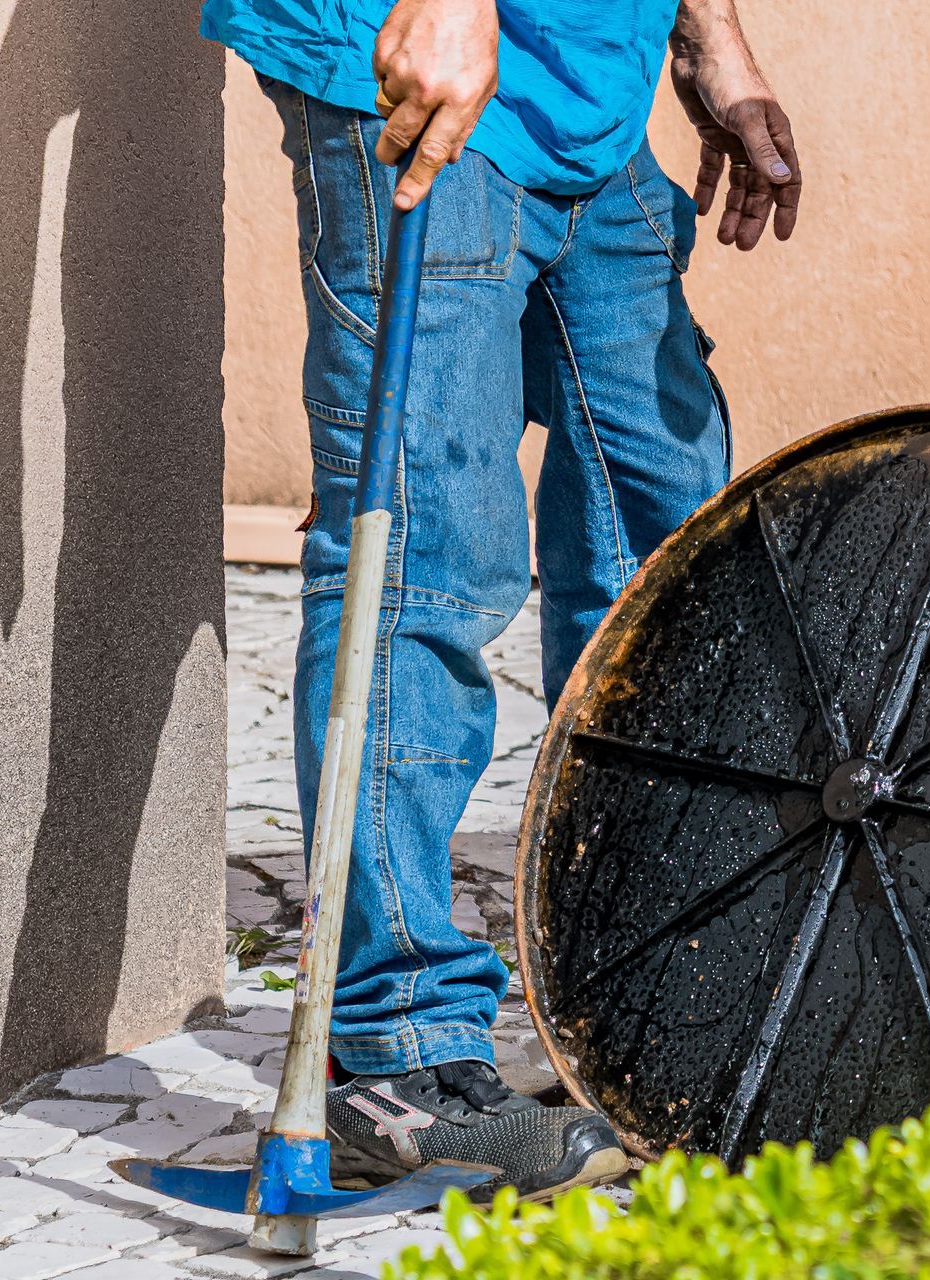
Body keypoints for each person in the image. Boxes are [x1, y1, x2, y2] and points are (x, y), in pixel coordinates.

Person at [201, 0, 800, 1199]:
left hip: (584, 92)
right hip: (419, 69)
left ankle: (631, 994)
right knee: (429, 552)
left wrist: (705, 34)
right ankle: (395, 1052)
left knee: (665, 541)